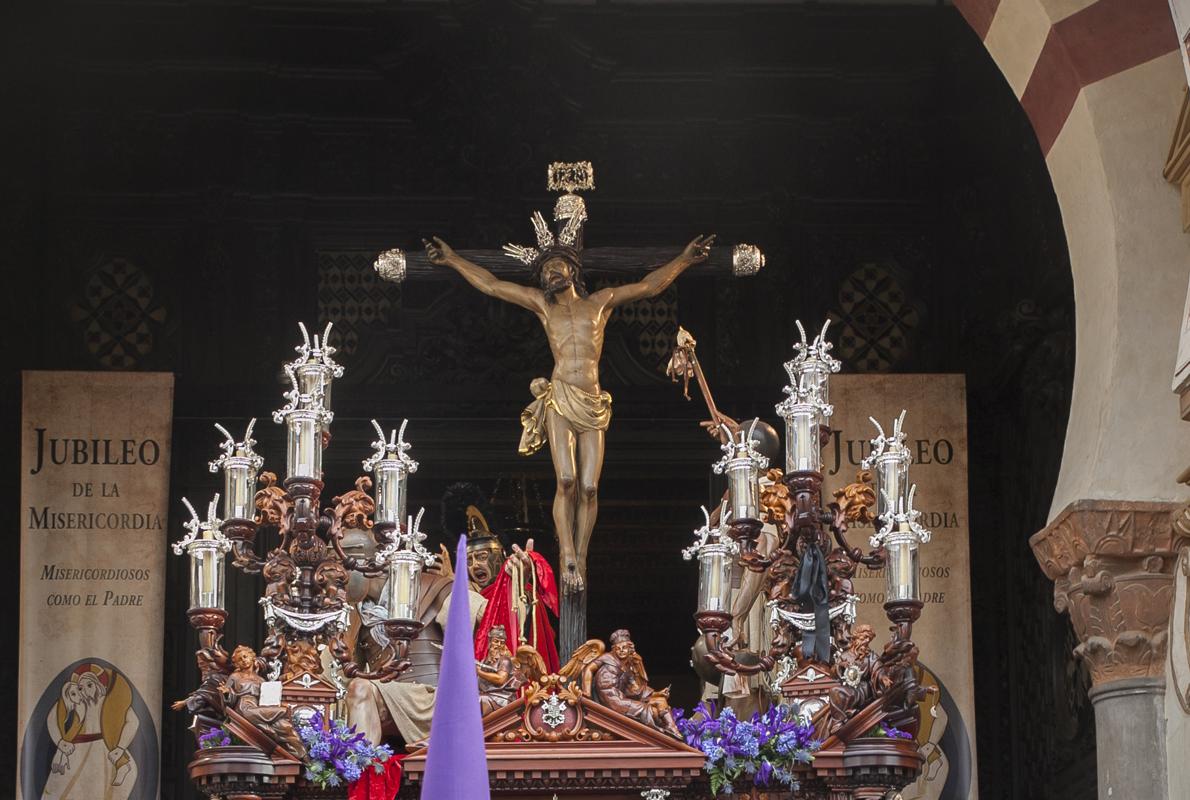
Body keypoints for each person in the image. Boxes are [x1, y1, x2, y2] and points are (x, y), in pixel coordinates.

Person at [417, 217, 713, 594]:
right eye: (544, 270)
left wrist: (684, 260)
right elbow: (492, 285)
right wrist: (454, 260)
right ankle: (568, 555)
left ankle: (582, 557)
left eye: (556, 266)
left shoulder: (600, 303)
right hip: (560, 396)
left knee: (589, 487)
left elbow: (648, 286)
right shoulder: (543, 306)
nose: (550, 273)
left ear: (572, 269)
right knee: (567, 480)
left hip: (592, 400)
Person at [589, 629, 681, 738]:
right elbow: (588, 669)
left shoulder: (628, 668)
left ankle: (672, 728)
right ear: (614, 650)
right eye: (618, 648)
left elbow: (636, 691)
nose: (621, 651)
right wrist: (586, 693)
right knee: (654, 712)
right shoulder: (608, 660)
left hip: (622, 700)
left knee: (661, 701)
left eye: (624, 648)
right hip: (614, 702)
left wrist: (658, 693)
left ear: (630, 649)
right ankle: (662, 734)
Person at [476, 626, 519, 715]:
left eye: (502, 643)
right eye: (496, 641)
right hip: (487, 695)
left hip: (501, 698)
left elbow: (500, 679)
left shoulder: (505, 660)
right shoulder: (484, 661)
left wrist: (480, 672)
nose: (499, 645)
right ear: (490, 642)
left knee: (477, 701)